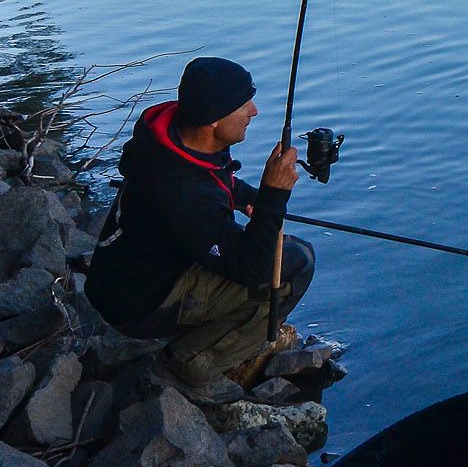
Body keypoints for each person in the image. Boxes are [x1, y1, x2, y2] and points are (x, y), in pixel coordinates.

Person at [87, 56, 314, 394]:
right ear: (213, 120)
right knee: (295, 265)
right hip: (139, 305)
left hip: (125, 277)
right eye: (244, 105)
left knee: (288, 248)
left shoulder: (173, 141)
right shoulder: (179, 193)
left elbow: (213, 179)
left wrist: (248, 197)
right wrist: (272, 195)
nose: (254, 111)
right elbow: (249, 269)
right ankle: (188, 364)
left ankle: (204, 338)